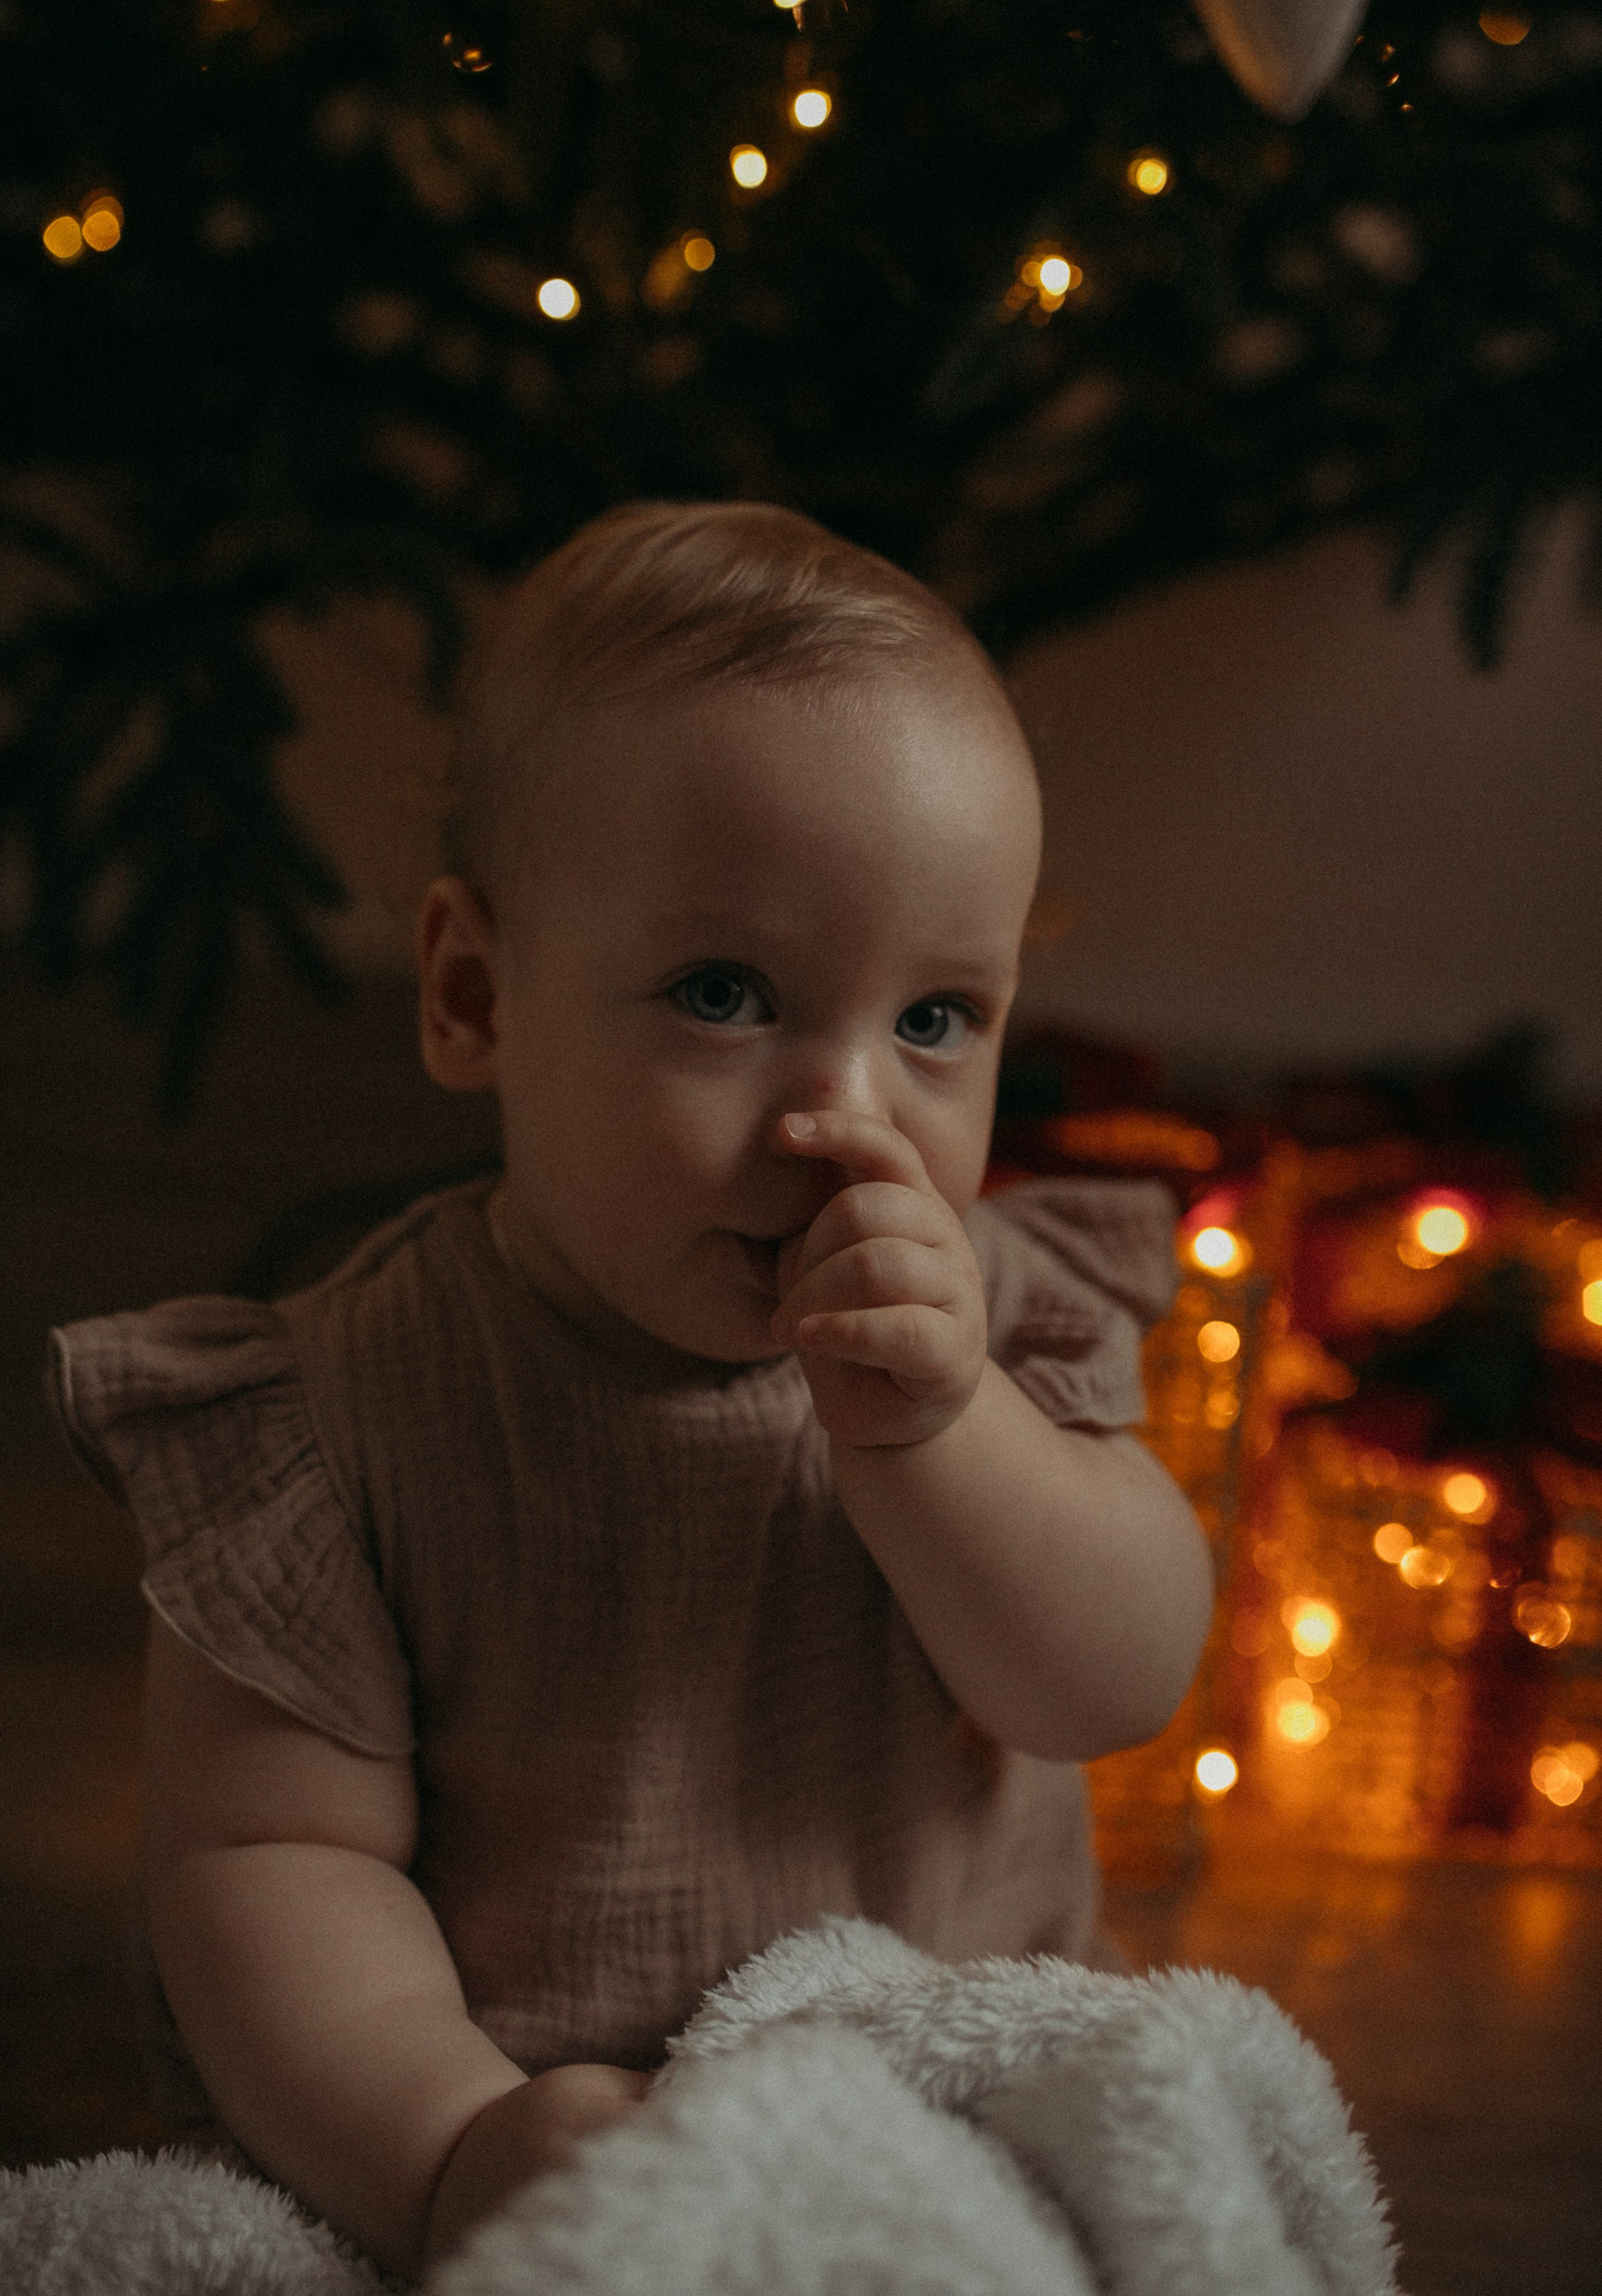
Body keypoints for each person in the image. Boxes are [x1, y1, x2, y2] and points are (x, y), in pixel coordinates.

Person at [48, 502, 1213, 2278]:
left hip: (926, 2102)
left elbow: (1109, 1680)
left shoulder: (999, 1326)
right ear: (473, 994)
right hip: (507, 2110)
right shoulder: (341, 1417)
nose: (849, 1119)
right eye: (726, 993)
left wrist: (943, 1439)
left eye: (935, 1019)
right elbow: (269, 1862)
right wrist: (446, 2150)